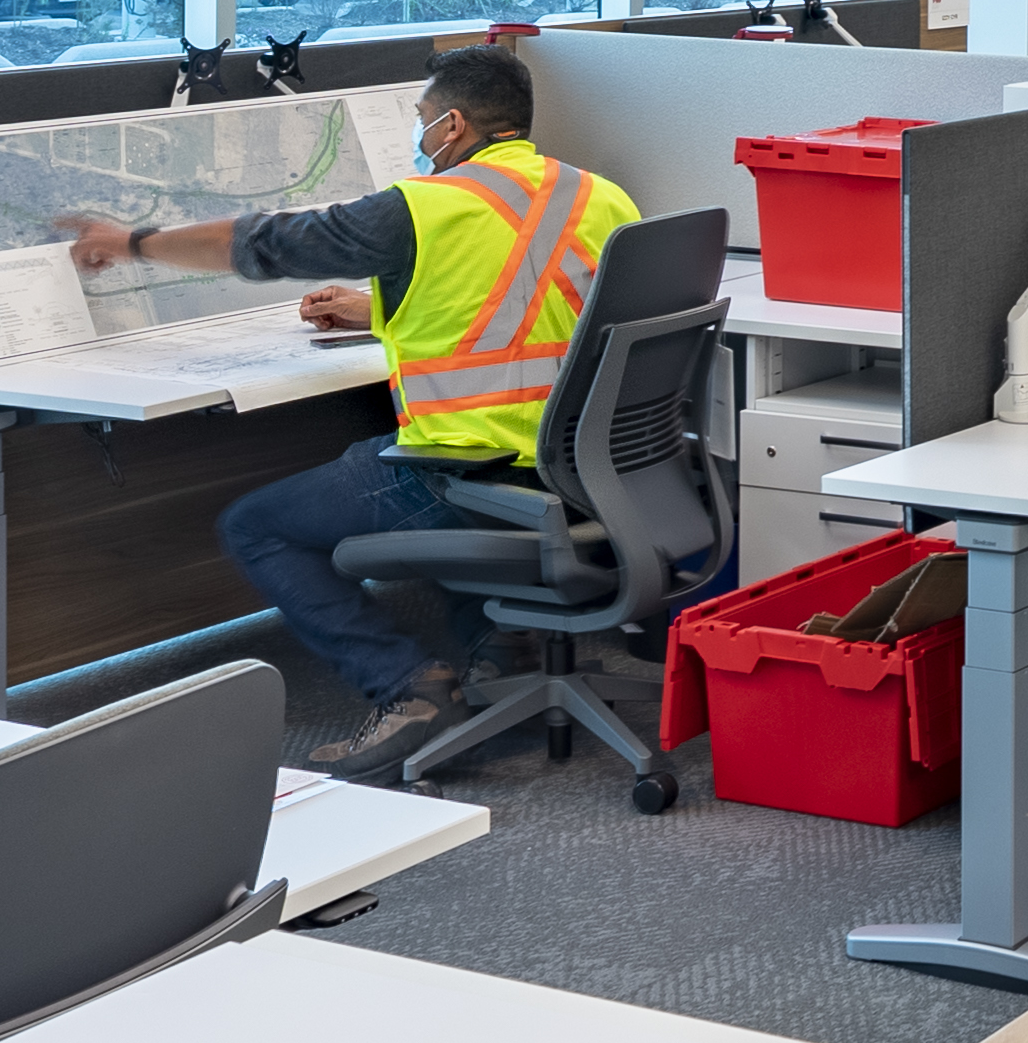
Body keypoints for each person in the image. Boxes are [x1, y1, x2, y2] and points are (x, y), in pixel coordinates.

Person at [67, 42, 632, 724]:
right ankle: (502, 645)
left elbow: (263, 242)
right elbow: (544, 296)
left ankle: (408, 685)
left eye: (422, 117)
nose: (419, 135)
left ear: (451, 124)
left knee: (255, 526)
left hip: (476, 472)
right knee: (385, 458)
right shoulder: (599, 195)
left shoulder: (420, 207)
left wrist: (132, 241)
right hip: (585, 471)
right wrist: (382, 308)